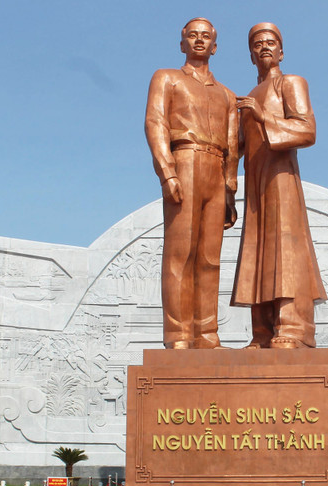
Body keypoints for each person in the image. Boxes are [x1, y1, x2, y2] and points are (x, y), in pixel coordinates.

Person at [145, 18, 239, 349]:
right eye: (192, 36)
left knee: (209, 258)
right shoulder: (167, 78)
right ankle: (178, 336)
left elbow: (233, 145)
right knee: (180, 253)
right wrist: (166, 171)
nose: (199, 41)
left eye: (207, 37)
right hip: (184, 160)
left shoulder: (228, 95)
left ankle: (207, 334)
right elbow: (155, 123)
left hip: (216, 168)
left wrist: (229, 191)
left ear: (215, 47)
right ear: (182, 42)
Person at [232, 22, 327, 349]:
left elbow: (306, 130)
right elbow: (239, 146)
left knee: (284, 247)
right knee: (257, 249)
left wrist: (262, 117)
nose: (264, 48)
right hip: (256, 183)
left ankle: (291, 326)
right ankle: (261, 331)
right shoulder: (248, 98)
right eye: (257, 44)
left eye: (271, 42)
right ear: (251, 55)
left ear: (282, 51)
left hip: (282, 178)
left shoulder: (291, 83)